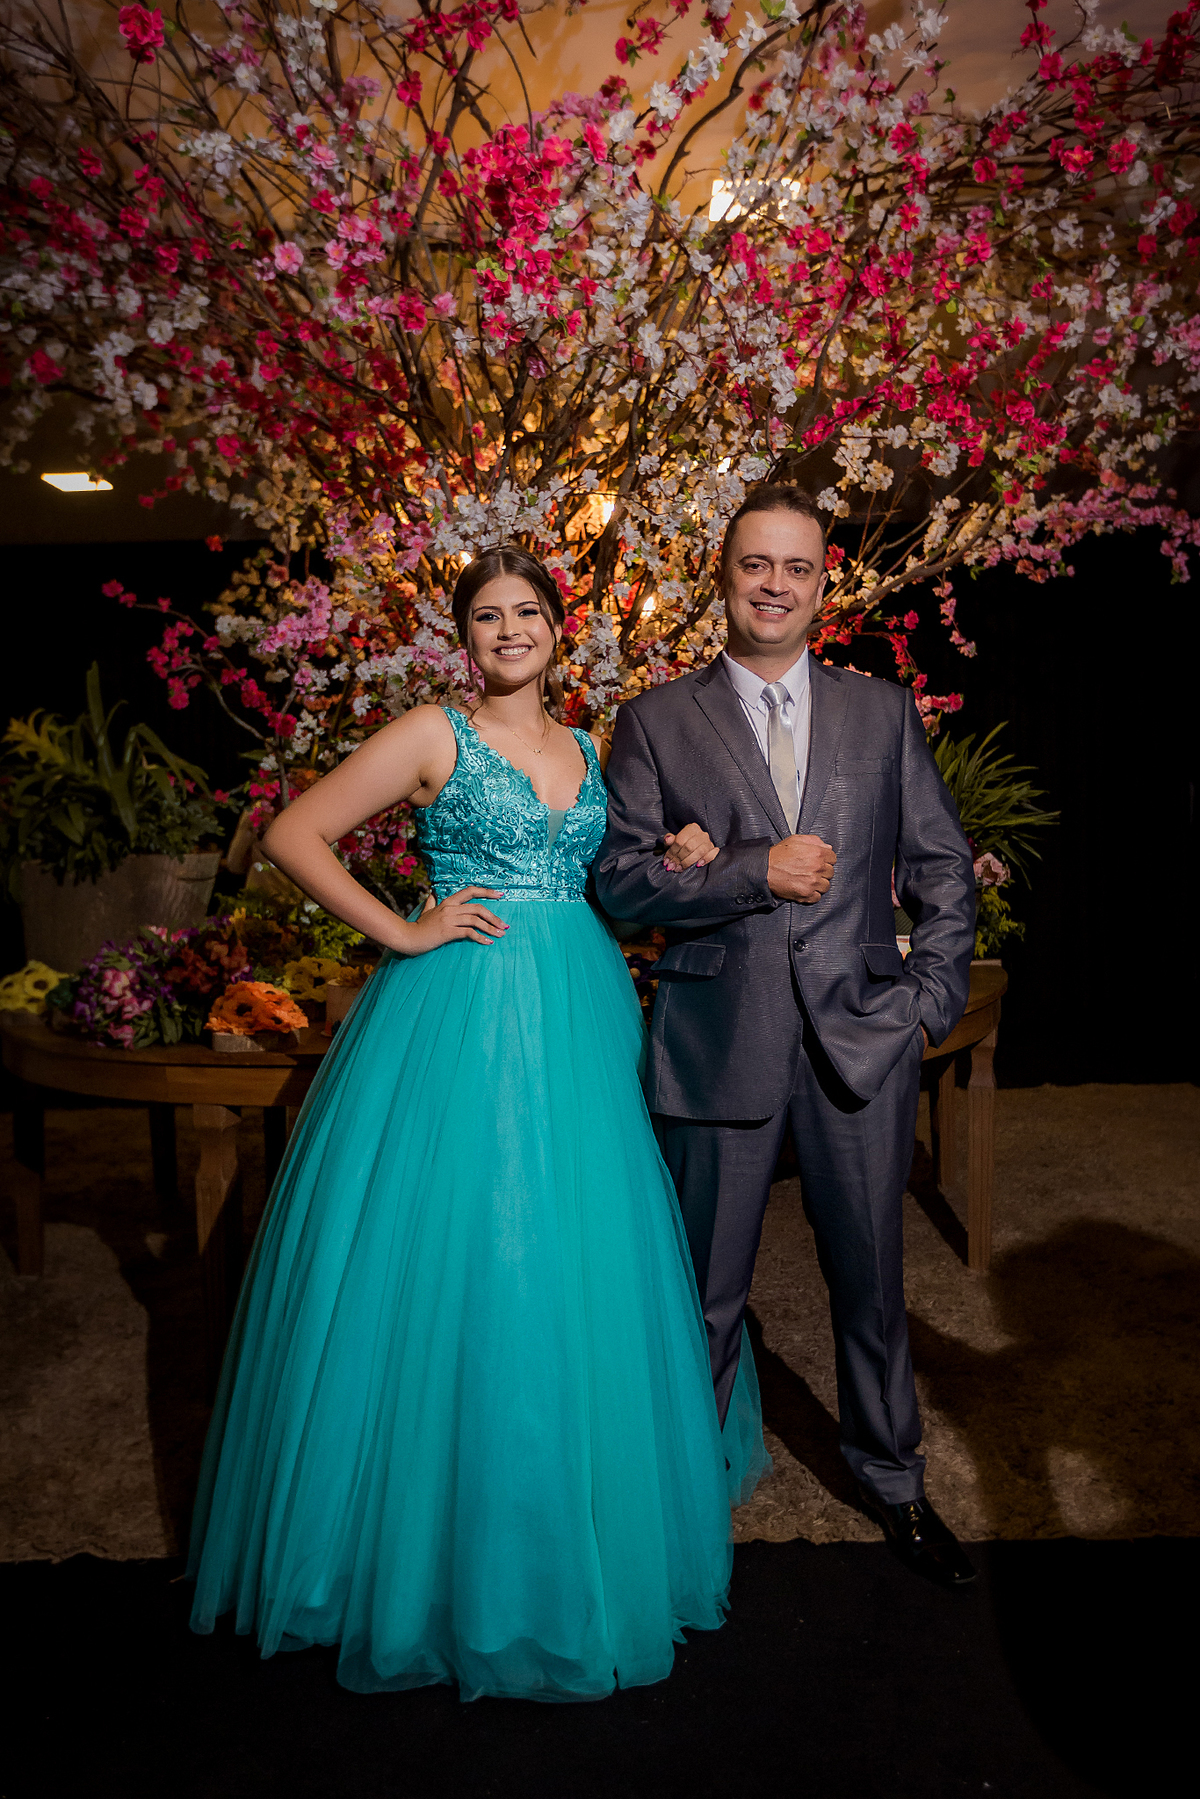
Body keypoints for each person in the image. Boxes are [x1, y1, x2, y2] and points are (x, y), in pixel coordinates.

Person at [187, 544, 770, 1701]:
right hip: (462, 1009)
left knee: (575, 1253)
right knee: (468, 1246)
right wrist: (402, 929)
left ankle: (573, 1523)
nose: (510, 629)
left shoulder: (592, 747)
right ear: (465, 638)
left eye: (528, 611)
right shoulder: (431, 733)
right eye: (488, 615)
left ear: (559, 627)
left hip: (581, 1008)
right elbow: (293, 832)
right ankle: (429, 1555)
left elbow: (609, 880)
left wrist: (680, 853)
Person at [595, 485, 978, 1588]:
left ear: (823, 585)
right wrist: (746, 869)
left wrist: (929, 999)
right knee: (705, 1296)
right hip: (720, 1037)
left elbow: (942, 865)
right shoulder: (656, 719)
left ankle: (894, 1480)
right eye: (755, 563)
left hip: (863, 1037)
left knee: (872, 1283)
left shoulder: (881, 712)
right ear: (723, 577)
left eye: (797, 567)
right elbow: (618, 880)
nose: (775, 584)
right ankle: (680, 1507)